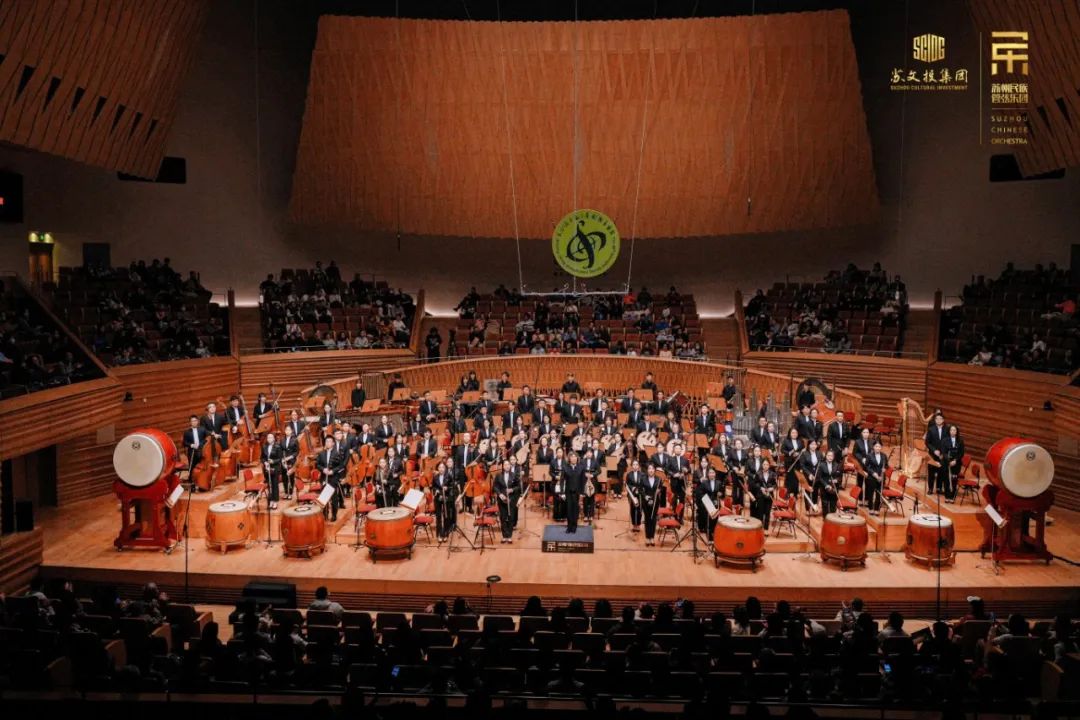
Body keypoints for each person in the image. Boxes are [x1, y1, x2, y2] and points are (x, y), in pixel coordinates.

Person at [318, 436, 345, 520]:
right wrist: (323, 469)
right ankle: (325, 513)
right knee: (324, 497)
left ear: (333, 443)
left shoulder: (337, 453)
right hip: (324, 478)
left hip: (333, 478)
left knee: (334, 498)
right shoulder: (321, 453)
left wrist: (333, 471)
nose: (328, 443)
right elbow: (317, 464)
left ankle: (334, 515)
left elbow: (341, 466)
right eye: (326, 441)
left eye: (330, 441)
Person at [493, 459, 519, 543]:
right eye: (505, 465)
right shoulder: (498, 475)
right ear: (503, 466)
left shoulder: (514, 475)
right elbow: (495, 486)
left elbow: (518, 486)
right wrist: (500, 494)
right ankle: (504, 536)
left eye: (508, 464)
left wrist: (512, 489)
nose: (507, 466)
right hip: (502, 499)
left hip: (511, 499)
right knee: (503, 517)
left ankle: (509, 536)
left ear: (510, 466)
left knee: (511, 517)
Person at [924, 413, 948, 495]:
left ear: (943, 420)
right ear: (935, 420)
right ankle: (930, 489)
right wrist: (934, 450)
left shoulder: (947, 429)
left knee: (941, 472)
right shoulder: (931, 429)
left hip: (942, 455)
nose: (938, 420)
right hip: (932, 454)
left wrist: (943, 453)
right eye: (937, 419)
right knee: (931, 472)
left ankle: (939, 488)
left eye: (940, 419)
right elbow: (927, 442)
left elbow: (947, 442)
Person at [695, 467, 723, 535]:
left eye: (713, 473)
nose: (711, 474)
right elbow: (700, 493)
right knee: (705, 510)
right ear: (708, 474)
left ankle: (713, 529)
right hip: (707, 501)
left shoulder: (719, 483)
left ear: (715, 474)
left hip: (715, 501)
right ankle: (707, 529)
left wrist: (721, 494)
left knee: (716, 508)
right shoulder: (704, 483)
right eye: (710, 473)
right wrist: (707, 500)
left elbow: (722, 492)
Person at [640, 464, 663, 546]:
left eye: (652, 469)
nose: (651, 470)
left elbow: (660, 488)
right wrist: (645, 496)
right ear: (647, 470)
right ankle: (647, 537)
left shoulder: (659, 479)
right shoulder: (643, 479)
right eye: (649, 468)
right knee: (647, 519)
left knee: (653, 519)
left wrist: (659, 490)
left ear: (654, 470)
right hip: (646, 501)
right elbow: (640, 489)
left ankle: (652, 537)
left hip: (655, 501)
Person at [563, 451, 585, 533]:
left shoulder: (581, 467)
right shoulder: (565, 467)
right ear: (569, 458)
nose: (573, 458)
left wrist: (582, 493)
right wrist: (562, 492)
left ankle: (574, 526)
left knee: (575, 510)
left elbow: (583, 481)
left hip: (577, 492)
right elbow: (562, 480)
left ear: (577, 458)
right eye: (572, 457)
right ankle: (569, 526)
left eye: (575, 457)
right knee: (569, 509)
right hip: (568, 491)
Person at [261, 432, 284, 508]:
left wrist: (273, 461)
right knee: (269, 485)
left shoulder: (278, 447)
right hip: (267, 469)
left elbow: (280, 459)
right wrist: (265, 462)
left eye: (271, 437)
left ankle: (275, 501)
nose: (269, 439)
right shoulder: (264, 447)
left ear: (274, 439)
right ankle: (271, 500)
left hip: (275, 468)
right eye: (268, 437)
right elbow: (262, 458)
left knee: (274, 485)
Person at [942, 424, 965, 504]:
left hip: (956, 464)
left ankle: (952, 497)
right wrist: (949, 461)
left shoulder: (960, 441)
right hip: (947, 463)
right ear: (949, 431)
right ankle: (947, 497)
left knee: (954, 480)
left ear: (956, 432)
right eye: (951, 430)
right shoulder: (945, 440)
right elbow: (944, 452)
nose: (953, 431)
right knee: (946, 480)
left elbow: (961, 453)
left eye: (954, 430)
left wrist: (955, 460)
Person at [863, 440, 886, 514]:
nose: (878, 448)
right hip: (871, 478)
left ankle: (876, 509)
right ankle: (870, 508)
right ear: (873, 447)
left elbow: (886, 465)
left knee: (879, 494)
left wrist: (884, 469)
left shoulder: (884, 456)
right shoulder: (869, 456)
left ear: (881, 447)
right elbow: (866, 467)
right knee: (870, 493)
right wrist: (873, 473)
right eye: (876, 446)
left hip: (881, 478)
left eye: (879, 446)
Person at [624, 460, 645, 532]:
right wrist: (632, 488)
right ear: (632, 466)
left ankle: (638, 525)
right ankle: (634, 525)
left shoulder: (642, 474)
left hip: (639, 494)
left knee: (639, 509)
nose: (635, 466)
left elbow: (644, 484)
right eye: (634, 464)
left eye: (636, 464)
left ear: (638, 466)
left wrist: (638, 489)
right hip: (631, 494)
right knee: (632, 509)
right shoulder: (629, 474)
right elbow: (627, 484)